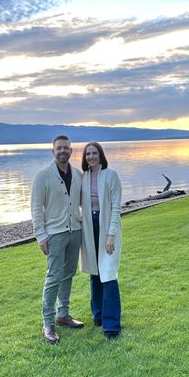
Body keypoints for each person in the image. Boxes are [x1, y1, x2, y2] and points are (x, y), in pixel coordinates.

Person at [31, 135, 84, 344]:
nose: (62, 151)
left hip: (75, 231)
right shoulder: (43, 176)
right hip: (54, 233)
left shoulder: (78, 175)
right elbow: (36, 208)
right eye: (59, 148)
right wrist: (41, 235)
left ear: (71, 151)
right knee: (53, 276)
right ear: (53, 152)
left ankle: (63, 314)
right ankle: (48, 324)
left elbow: (84, 203)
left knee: (68, 273)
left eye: (66, 148)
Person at [80, 142, 122, 339]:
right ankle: (98, 315)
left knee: (108, 273)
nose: (91, 156)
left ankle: (112, 324)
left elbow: (116, 207)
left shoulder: (111, 175)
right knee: (95, 271)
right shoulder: (84, 177)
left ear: (101, 155)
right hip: (89, 226)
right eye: (88, 154)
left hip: (106, 226)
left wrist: (111, 234)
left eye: (94, 153)